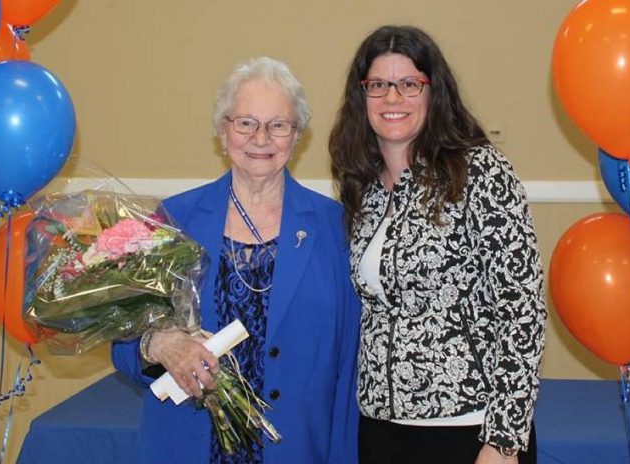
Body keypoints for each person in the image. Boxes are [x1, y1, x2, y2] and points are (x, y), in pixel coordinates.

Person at [112, 56, 360, 464]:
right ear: (222, 131)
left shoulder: (335, 228)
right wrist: (160, 344)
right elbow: (122, 341)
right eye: (245, 122)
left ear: (296, 137)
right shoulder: (173, 220)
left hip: (296, 449)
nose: (260, 138)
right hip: (187, 446)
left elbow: (348, 371)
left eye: (278, 125)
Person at [329, 25, 546, 464]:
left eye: (410, 84)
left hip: (470, 427)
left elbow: (524, 310)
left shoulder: (479, 172)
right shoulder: (363, 186)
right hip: (380, 427)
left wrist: (503, 438)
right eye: (378, 85)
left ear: (433, 91)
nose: (393, 99)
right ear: (361, 96)